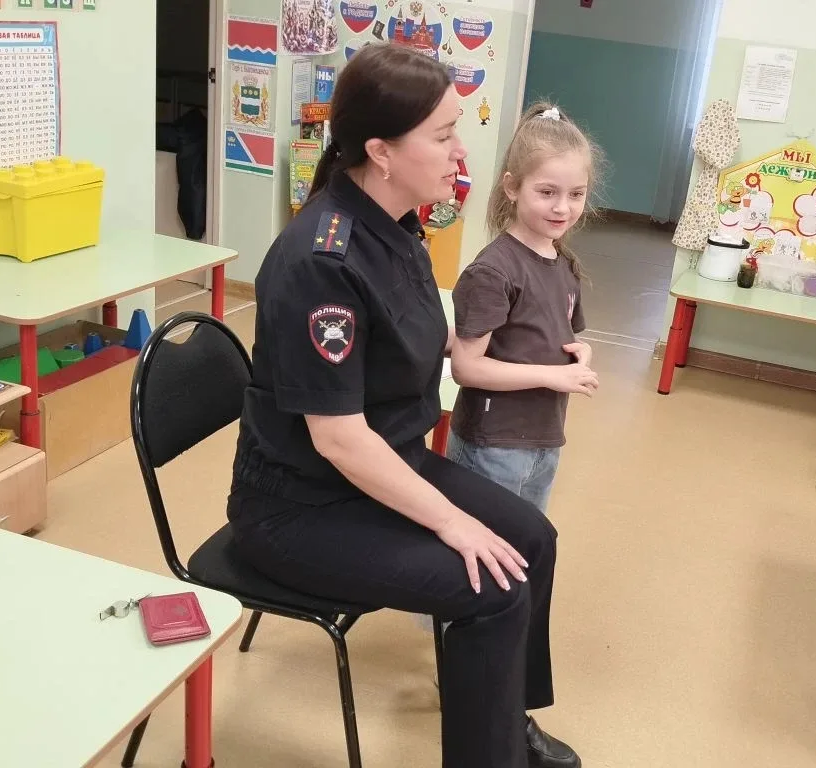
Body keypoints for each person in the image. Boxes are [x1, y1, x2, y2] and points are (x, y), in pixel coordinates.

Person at [226, 44, 581, 768]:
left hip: (385, 464)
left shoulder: (397, 224)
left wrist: (529, 350)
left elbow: (419, 339)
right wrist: (452, 521)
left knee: (532, 540)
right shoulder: (321, 260)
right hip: (303, 505)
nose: (461, 150)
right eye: (444, 135)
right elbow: (339, 441)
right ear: (381, 152)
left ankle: (503, 717)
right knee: (493, 581)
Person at [446, 103, 602, 513]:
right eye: (547, 192)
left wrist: (579, 355)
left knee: (522, 540)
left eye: (576, 194)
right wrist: (554, 376)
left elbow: (558, 338)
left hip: (544, 438)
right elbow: (466, 368)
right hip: (492, 444)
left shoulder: (565, 263)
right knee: (483, 543)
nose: (563, 207)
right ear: (512, 187)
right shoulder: (493, 271)